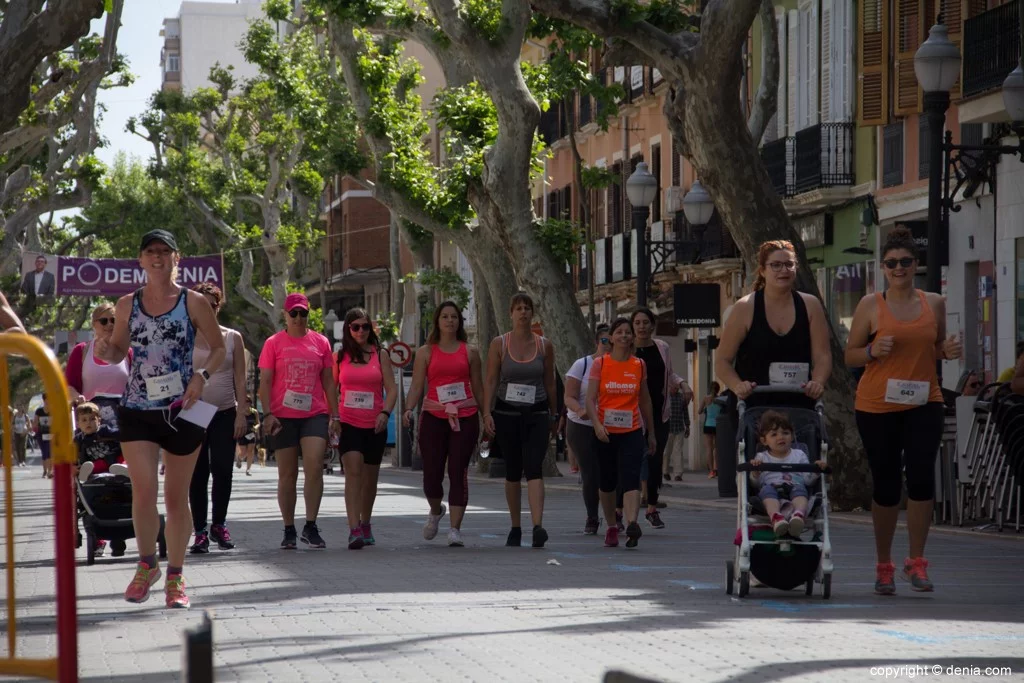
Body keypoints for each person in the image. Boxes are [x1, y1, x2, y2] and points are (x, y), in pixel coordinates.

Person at [97, 228, 225, 609]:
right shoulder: (126, 304)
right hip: (137, 408)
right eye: (150, 251)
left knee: (176, 497)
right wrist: (106, 351)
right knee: (144, 491)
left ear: (176, 258)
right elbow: (119, 350)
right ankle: (147, 564)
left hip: (182, 410)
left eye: (164, 252)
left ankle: (176, 576)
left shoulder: (194, 302)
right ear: (140, 260)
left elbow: (217, 349)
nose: (157, 257)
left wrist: (201, 378)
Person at [845, 227, 962, 596]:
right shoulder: (869, 305)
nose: (899, 268)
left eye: (906, 262)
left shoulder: (934, 303)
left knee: (923, 479)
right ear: (883, 267)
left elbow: (937, 347)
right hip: (877, 405)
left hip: (924, 400)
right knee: (887, 485)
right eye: (892, 263)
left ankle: (917, 561)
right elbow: (849, 355)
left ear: (916, 264)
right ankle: (884, 565)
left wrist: (949, 351)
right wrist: (871, 353)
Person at [714, 240, 832, 497]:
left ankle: (799, 512)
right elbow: (722, 361)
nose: (783, 271)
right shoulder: (745, 307)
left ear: (796, 268)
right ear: (763, 270)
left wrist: (818, 382)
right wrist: (737, 385)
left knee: (800, 467)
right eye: (776, 265)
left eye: (789, 265)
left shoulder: (810, 305)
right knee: (759, 474)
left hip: (799, 404)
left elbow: (822, 356)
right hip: (755, 404)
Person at [258, 292, 340, 551]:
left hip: (314, 413)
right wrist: (268, 413)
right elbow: (266, 382)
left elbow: (328, 380)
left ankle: (311, 525)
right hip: (283, 416)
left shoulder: (321, 342)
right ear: (285, 314)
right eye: (293, 313)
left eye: (303, 313)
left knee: (315, 466)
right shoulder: (273, 343)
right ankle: (288, 529)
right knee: (288, 474)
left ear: (308, 314)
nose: (298, 318)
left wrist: (335, 415)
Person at [403, 301, 484, 547]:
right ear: (437, 321)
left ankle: (455, 529)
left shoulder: (470, 352)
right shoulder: (426, 352)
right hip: (434, 416)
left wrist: (487, 414)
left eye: (454, 317)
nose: (450, 321)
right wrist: (408, 408)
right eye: (445, 317)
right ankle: (436, 509)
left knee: (458, 471)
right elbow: (417, 385)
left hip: (465, 415)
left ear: (459, 322)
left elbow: (478, 386)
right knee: (431, 474)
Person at [482, 293, 557, 548]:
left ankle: (538, 526)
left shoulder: (544, 345)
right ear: (510, 314)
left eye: (527, 308)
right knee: (513, 469)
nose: (523, 313)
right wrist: (486, 412)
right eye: (518, 309)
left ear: (532, 313)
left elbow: (550, 382)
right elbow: (491, 380)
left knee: (534, 466)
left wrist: (555, 413)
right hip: (506, 413)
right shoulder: (499, 344)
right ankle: (516, 526)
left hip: (536, 412)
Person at [585, 317, 657, 549]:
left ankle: (632, 523)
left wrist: (651, 432)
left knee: (631, 478)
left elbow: (645, 400)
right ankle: (611, 526)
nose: (625, 336)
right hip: (605, 432)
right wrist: (597, 425)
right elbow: (590, 399)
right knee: (606, 483)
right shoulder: (601, 364)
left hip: (632, 430)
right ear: (611, 337)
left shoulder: (639, 364)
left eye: (628, 332)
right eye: (620, 332)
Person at [189, 283, 247, 554]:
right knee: (197, 474)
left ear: (218, 307)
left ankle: (219, 525)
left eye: (213, 305)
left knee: (223, 470)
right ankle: (199, 531)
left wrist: (241, 413)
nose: (208, 309)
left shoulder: (232, 337)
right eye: (202, 304)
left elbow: (240, 378)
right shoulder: (185, 337)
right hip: (193, 413)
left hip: (225, 412)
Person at [334, 307, 398, 549]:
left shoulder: (380, 355)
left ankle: (366, 522)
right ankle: (353, 529)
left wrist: (385, 412)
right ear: (348, 330)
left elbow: (391, 389)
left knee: (370, 479)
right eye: (355, 327)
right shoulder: (339, 357)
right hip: (348, 422)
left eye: (365, 326)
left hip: (375, 424)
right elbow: (332, 389)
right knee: (353, 473)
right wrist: (334, 417)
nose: (361, 331)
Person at [630, 308, 691, 528]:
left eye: (645, 322)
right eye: (637, 323)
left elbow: (670, 374)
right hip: (631, 414)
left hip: (659, 412)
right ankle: (623, 512)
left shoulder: (662, 348)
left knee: (655, 461)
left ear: (652, 325)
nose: (641, 327)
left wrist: (683, 383)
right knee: (631, 462)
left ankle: (652, 509)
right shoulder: (626, 350)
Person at [564, 323, 611, 535]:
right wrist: (580, 409)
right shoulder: (581, 365)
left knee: (612, 473)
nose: (608, 344)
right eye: (604, 340)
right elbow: (568, 396)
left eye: (612, 341)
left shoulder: (623, 366)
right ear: (596, 342)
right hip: (582, 425)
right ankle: (592, 516)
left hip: (612, 425)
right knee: (591, 474)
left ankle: (615, 516)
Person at [749, 410, 824, 538]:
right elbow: (756, 484)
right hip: (771, 488)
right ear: (764, 440)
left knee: (801, 491)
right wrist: (755, 472)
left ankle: (799, 515)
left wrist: (816, 471)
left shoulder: (799, 455)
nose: (781, 437)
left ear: (792, 435)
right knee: (766, 492)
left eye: (785, 433)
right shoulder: (761, 458)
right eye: (774, 434)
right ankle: (776, 517)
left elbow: (807, 480)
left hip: (795, 486)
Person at [66, 303, 132, 432]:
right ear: (94, 324)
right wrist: (77, 397)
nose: (110, 324)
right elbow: (67, 386)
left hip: (123, 422)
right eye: (104, 321)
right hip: (90, 424)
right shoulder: (81, 351)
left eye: (114, 320)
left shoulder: (128, 352)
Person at [74, 402, 129, 481]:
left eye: (92, 419)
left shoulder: (105, 430)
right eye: (84, 420)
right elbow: (73, 454)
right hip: (100, 462)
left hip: (114, 457)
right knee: (92, 465)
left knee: (123, 458)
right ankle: (85, 473)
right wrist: (73, 465)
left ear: (99, 420)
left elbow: (119, 434)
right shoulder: (79, 439)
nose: (88, 422)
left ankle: (124, 469)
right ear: (78, 424)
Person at [663, 389, 691, 483]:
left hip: (679, 427)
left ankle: (678, 474)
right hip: (668, 428)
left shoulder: (681, 397)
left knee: (678, 451)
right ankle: (665, 471)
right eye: (674, 386)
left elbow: (685, 413)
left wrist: (687, 426)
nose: (676, 388)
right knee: (666, 451)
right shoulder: (665, 397)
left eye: (677, 386)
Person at [699, 382, 722, 478]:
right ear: (718, 389)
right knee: (717, 448)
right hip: (718, 425)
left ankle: (711, 471)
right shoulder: (720, 399)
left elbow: (699, 411)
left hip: (708, 425)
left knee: (709, 448)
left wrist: (706, 409)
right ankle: (717, 469)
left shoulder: (706, 398)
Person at [33, 395, 53, 479]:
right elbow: (35, 422)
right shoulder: (39, 411)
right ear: (44, 400)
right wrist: (36, 426)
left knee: (49, 453)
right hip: (41, 434)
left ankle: (49, 471)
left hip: (51, 434)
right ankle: (45, 471)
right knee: (44, 453)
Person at [236, 405, 260, 475]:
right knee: (244, 452)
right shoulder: (239, 411)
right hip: (242, 433)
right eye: (245, 402)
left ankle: (248, 469)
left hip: (251, 434)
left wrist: (256, 427)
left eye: (248, 402)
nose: (247, 404)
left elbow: (258, 423)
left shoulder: (254, 412)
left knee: (251, 451)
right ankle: (239, 458)